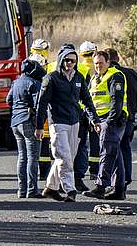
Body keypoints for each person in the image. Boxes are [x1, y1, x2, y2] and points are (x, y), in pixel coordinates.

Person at [34, 44, 99, 202]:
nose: (70, 64)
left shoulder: (78, 78)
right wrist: (39, 126)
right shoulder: (51, 78)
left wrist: (95, 119)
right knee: (64, 157)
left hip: (74, 122)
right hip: (58, 123)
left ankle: (50, 187)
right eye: (67, 60)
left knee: (68, 156)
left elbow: (87, 100)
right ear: (61, 60)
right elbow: (42, 103)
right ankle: (70, 190)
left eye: (73, 61)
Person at [83, 50, 128, 200]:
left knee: (106, 152)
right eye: (96, 63)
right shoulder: (95, 78)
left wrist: (108, 123)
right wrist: (94, 120)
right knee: (115, 155)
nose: (98, 66)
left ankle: (101, 187)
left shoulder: (115, 76)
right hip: (99, 120)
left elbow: (117, 102)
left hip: (112, 120)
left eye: (101, 63)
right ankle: (119, 190)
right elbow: (90, 101)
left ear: (108, 63)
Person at [6, 59, 46, 198]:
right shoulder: (34, 83)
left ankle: (21, 190)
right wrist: (40, 126)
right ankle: (32, 190)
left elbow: (8, 100)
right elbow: (39, 105)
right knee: (33, 157)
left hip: (15, 123)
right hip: (28, 121)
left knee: (22, 157)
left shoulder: (16, 82)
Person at [108, 48, 137, 187]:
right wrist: (133, 110)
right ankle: (125, 177)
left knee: (111, 151)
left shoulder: (107, 75)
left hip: (112, 118)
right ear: (118, 58)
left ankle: (114, 180)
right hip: (128, 118)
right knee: (125, 148)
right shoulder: (131, 73)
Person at [74, 41, 100, 189]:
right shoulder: (97, 66)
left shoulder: (80, 68)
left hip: (80, 111)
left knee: (82, 143)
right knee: (95, 141)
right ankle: (94, 170)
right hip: (94, 109)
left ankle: (80, 170)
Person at [29, 39, 54, 178]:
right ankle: (44, 173)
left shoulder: (25, 72)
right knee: (45, 144)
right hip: (44, 114)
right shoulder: (48, 70)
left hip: (28, 116)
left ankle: (37, 174)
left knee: (34, 146)